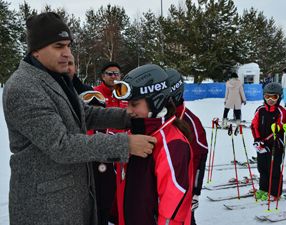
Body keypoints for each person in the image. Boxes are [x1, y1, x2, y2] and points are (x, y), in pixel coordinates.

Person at [2, 12, 156, 225]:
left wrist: (129, 117)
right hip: (46, 208)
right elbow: (61, 145)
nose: (67, 53)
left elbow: (86, 114)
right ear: (35, 50)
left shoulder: (55, 77)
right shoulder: (23, 87)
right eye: (58, 46)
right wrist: (125, 144)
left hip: (72, 199)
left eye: (68, 45)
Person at [113, 64, 194, 225]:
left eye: (134, 104)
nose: (128, 110)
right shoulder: (134, 135)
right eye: (127, 104)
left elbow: (173, 211)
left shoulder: (172, 144)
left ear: (155, 102)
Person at [165, 68, 208, 225]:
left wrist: (195, 192)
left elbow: (200, 157)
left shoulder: (190, 121)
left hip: (182, 192)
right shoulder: (156, 116)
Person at [92, 61, 128, 225]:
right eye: (110, 73)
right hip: (104, 154)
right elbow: (89, 124)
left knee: (124, 190)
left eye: (117, 74)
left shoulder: (124, 92)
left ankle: (118, 216)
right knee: (104, 192)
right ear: (102, 76)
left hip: (125, 150)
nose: (114, 77)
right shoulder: (95, 94)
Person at [250, 82, 286, 200]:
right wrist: (257, 139)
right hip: (261, 145)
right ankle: (263, 189)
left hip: (275, 145)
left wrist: (266, 140)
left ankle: (274, 192)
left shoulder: (281, 111)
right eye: (267, 96)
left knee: (274, 169)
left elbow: (279, 125)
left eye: (274, 97)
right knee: (262, 168)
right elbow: (254, 125)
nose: (270, 100)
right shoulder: (260, 110)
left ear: (279, 97)